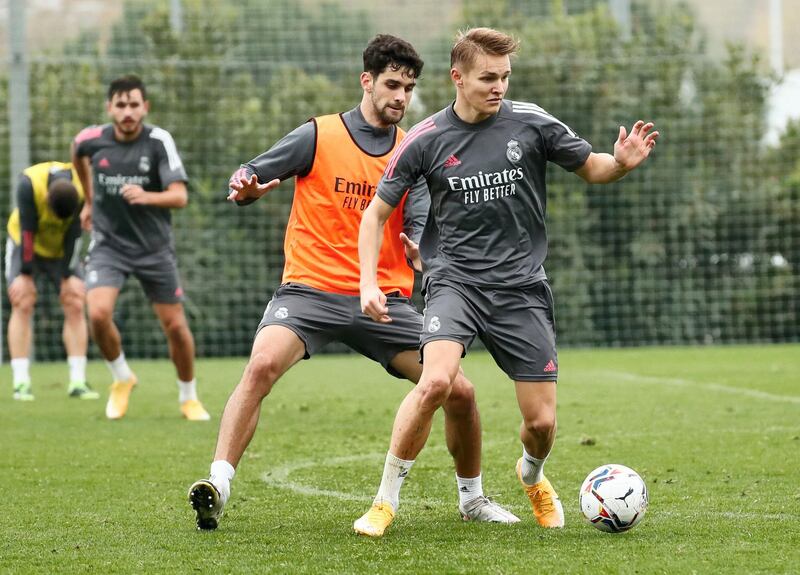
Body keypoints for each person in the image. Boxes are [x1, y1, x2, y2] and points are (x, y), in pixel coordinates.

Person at [188, 34, 518, 532]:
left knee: (461, 393)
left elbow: (423, 227)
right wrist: (247, 188)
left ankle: (471, 498)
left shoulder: (416, 148)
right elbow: (251, 173)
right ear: (366, 81)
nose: (400, 97)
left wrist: (421, 249)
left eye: (408, 88)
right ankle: (218, 484)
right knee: (260, 366)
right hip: (309, 291)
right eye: (391, 84)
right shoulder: (318, 135)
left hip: (382, 301)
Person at [355, 27, 659, 536]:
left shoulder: (532, 123)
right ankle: (384, 502)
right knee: (435, 380)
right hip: (456, 283)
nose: (499, 87)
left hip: (521, 289)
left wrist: (621, 165)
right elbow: (375, 215)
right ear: (458, 78)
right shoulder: (425, 140)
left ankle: (531, 474)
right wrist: (368, 282)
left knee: (541, 425)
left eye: (505, 77)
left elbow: (593, 168)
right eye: (487, 78)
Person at [71, 74, 209, 421]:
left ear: (145, 107)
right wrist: (88, 202)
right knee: (98, 313)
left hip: (153, 248)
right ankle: (121, 378)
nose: (128, 112)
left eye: (134, 105)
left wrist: (146, 196)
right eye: (121, 105)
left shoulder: (159, 141)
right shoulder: (92, 140)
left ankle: (188, 397)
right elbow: (77, 152)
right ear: (109, 108)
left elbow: (180, 196)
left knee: (176, 327)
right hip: (108, 245)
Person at [5, 161, 97, 401]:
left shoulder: (83, 185)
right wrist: (25, 274)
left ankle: (78, 381)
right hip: (26, 243)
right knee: (22, 301)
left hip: (60, 248)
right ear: (46, 198)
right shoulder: (29, 184)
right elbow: (27, 229)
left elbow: (75, 235)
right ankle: (21, 382)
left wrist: (68, 275)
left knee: (75, 300)